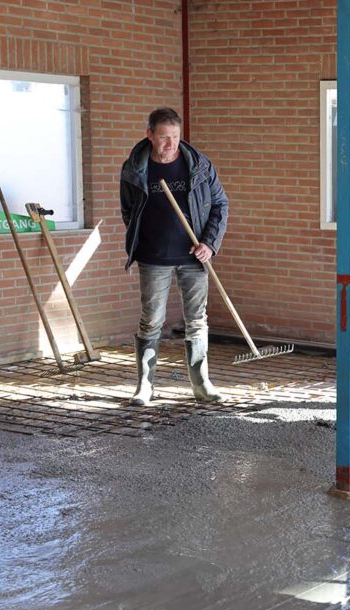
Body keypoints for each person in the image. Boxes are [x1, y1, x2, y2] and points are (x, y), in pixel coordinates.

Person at [120, 107, 229, 406]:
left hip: (195, 257)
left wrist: (209, 243)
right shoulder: (135, 169)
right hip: (153, 257)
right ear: (150, 135)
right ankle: (145, 386)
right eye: (164, 138)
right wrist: (148, 237)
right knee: (151, 321)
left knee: (197, 320)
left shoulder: (199, 166)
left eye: (176, 137)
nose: (171, 145)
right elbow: (129, 212)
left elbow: (220, 204)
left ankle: (201, 384)